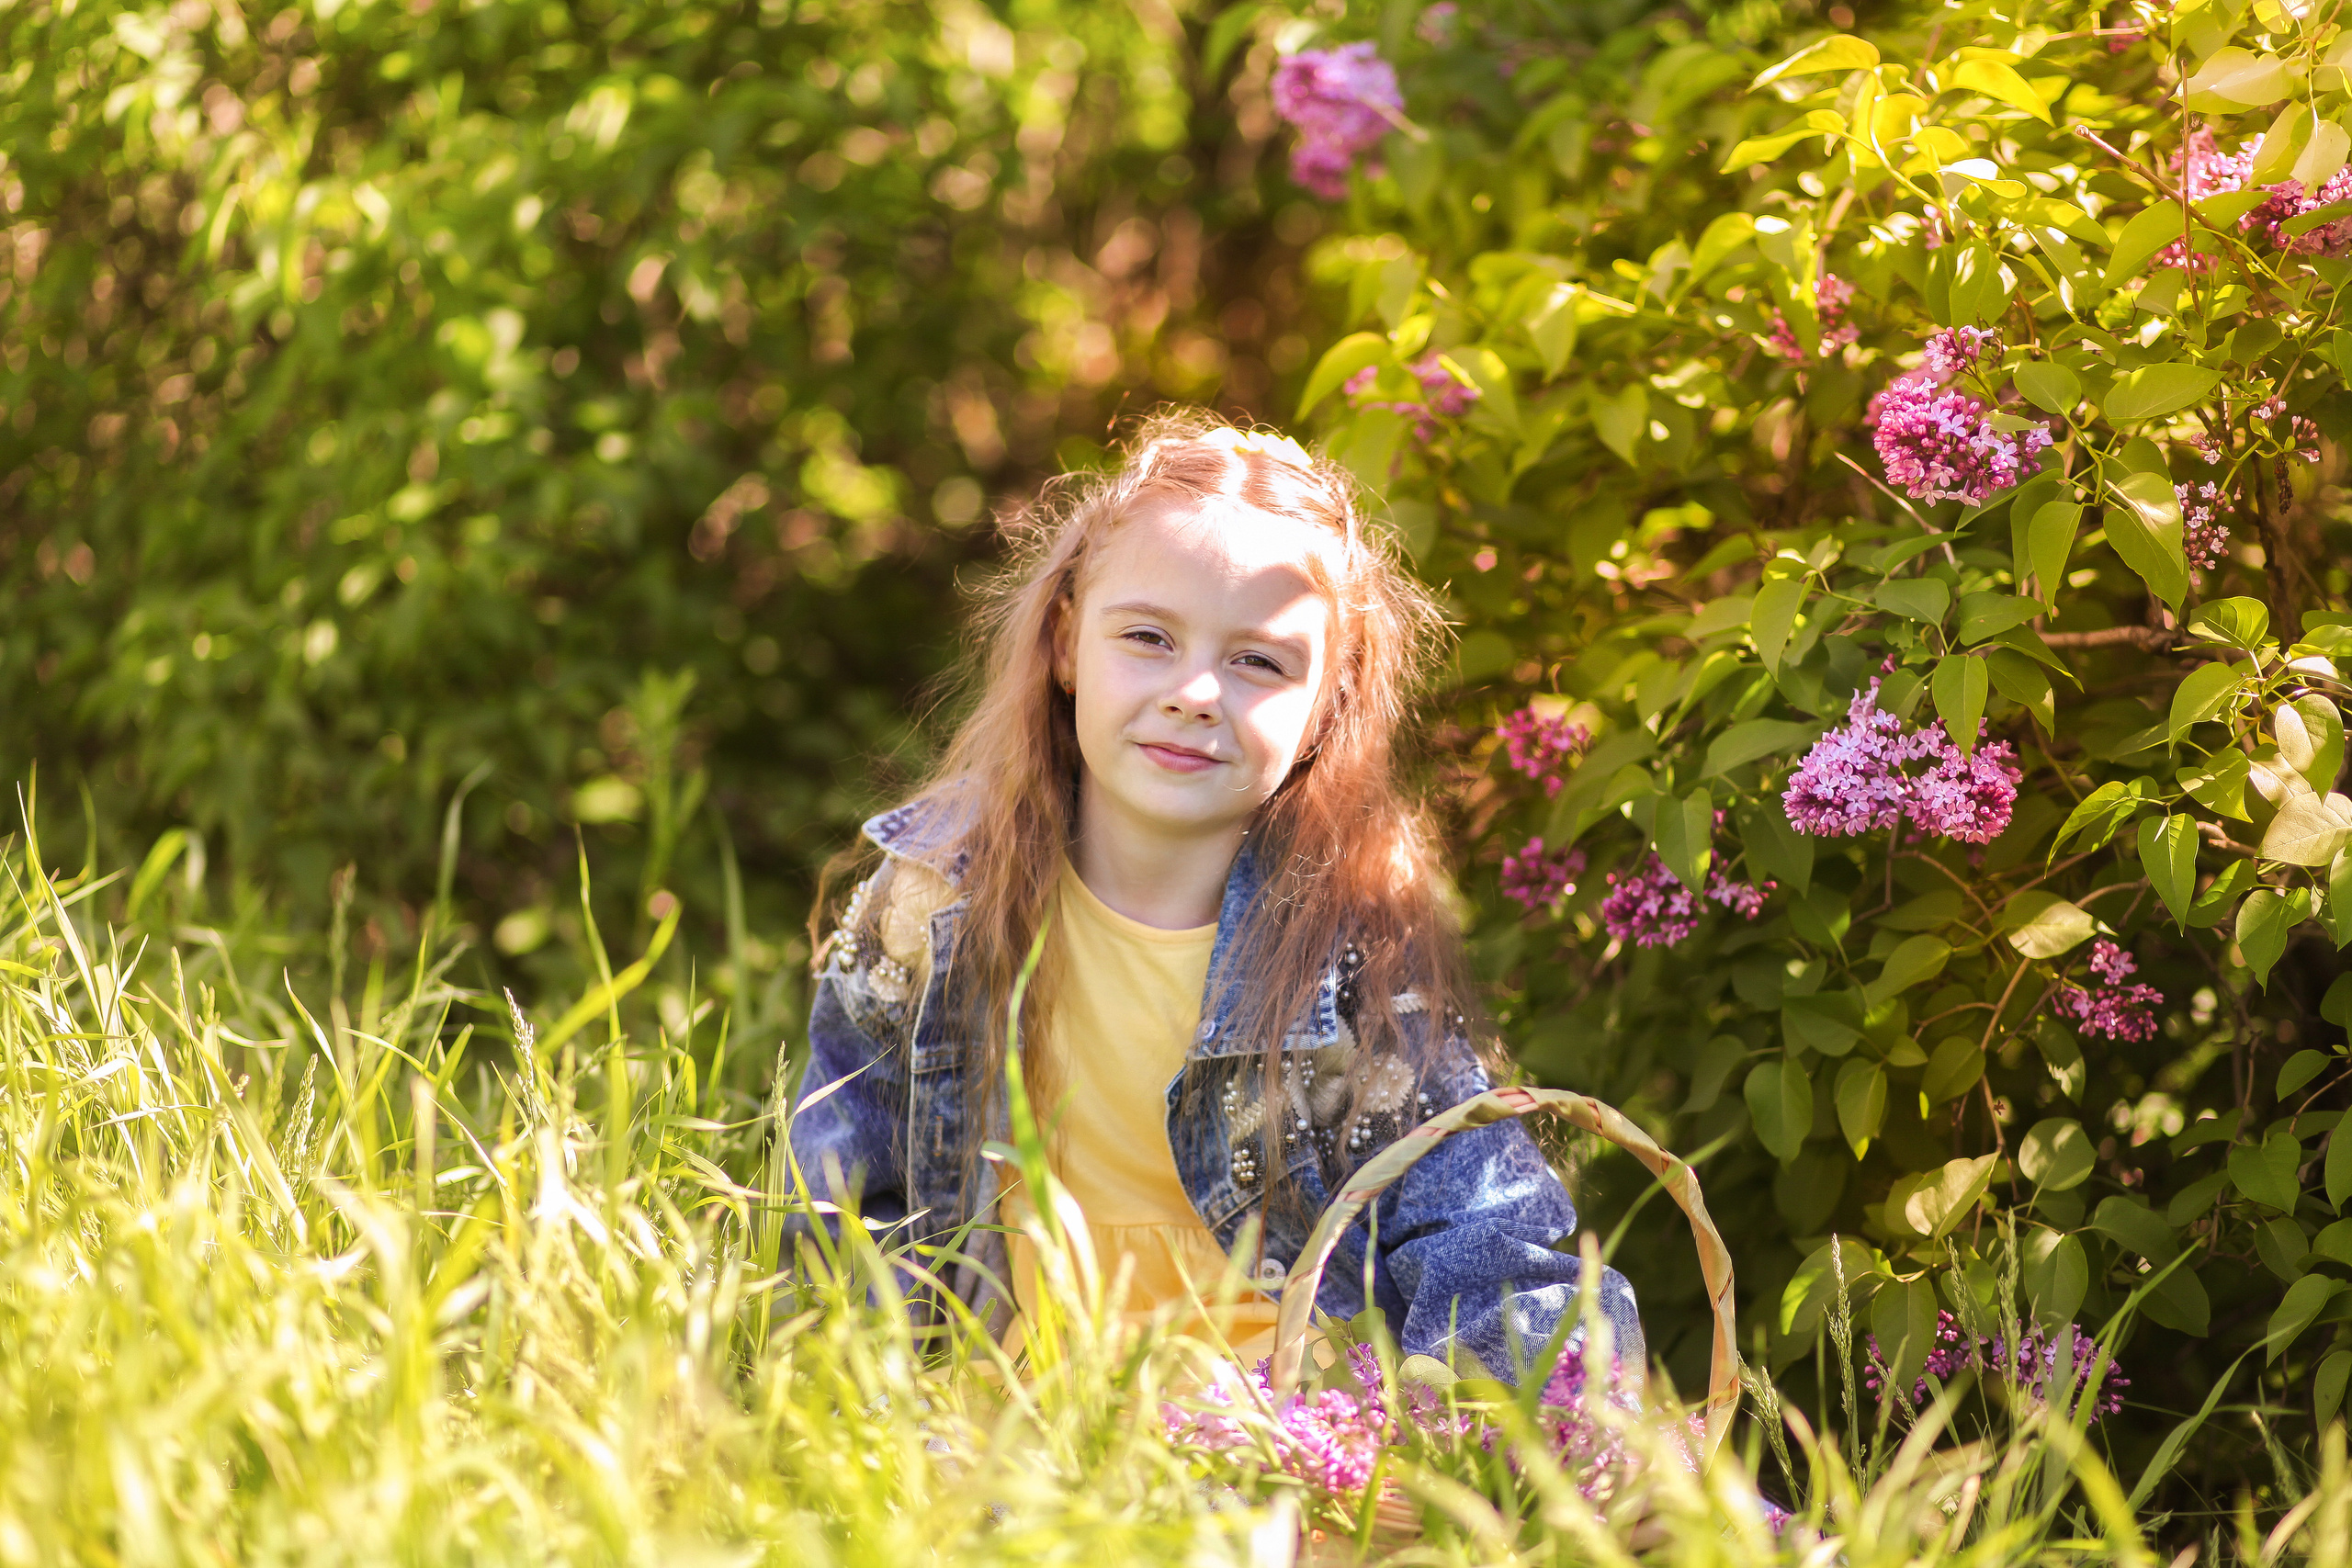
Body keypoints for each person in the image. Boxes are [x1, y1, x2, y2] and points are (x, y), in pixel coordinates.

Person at [787, 411, 1643, 1382]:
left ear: (1327, 704)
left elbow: (1482, 1222)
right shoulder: (935, 903)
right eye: (1148, 637)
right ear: (1066, 646)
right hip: (1019, 1426)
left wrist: (1540, 1425)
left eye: (1257, 662)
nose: (1197, 692)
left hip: (1282, 1433)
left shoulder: (1343, 951)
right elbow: (838, 1201)